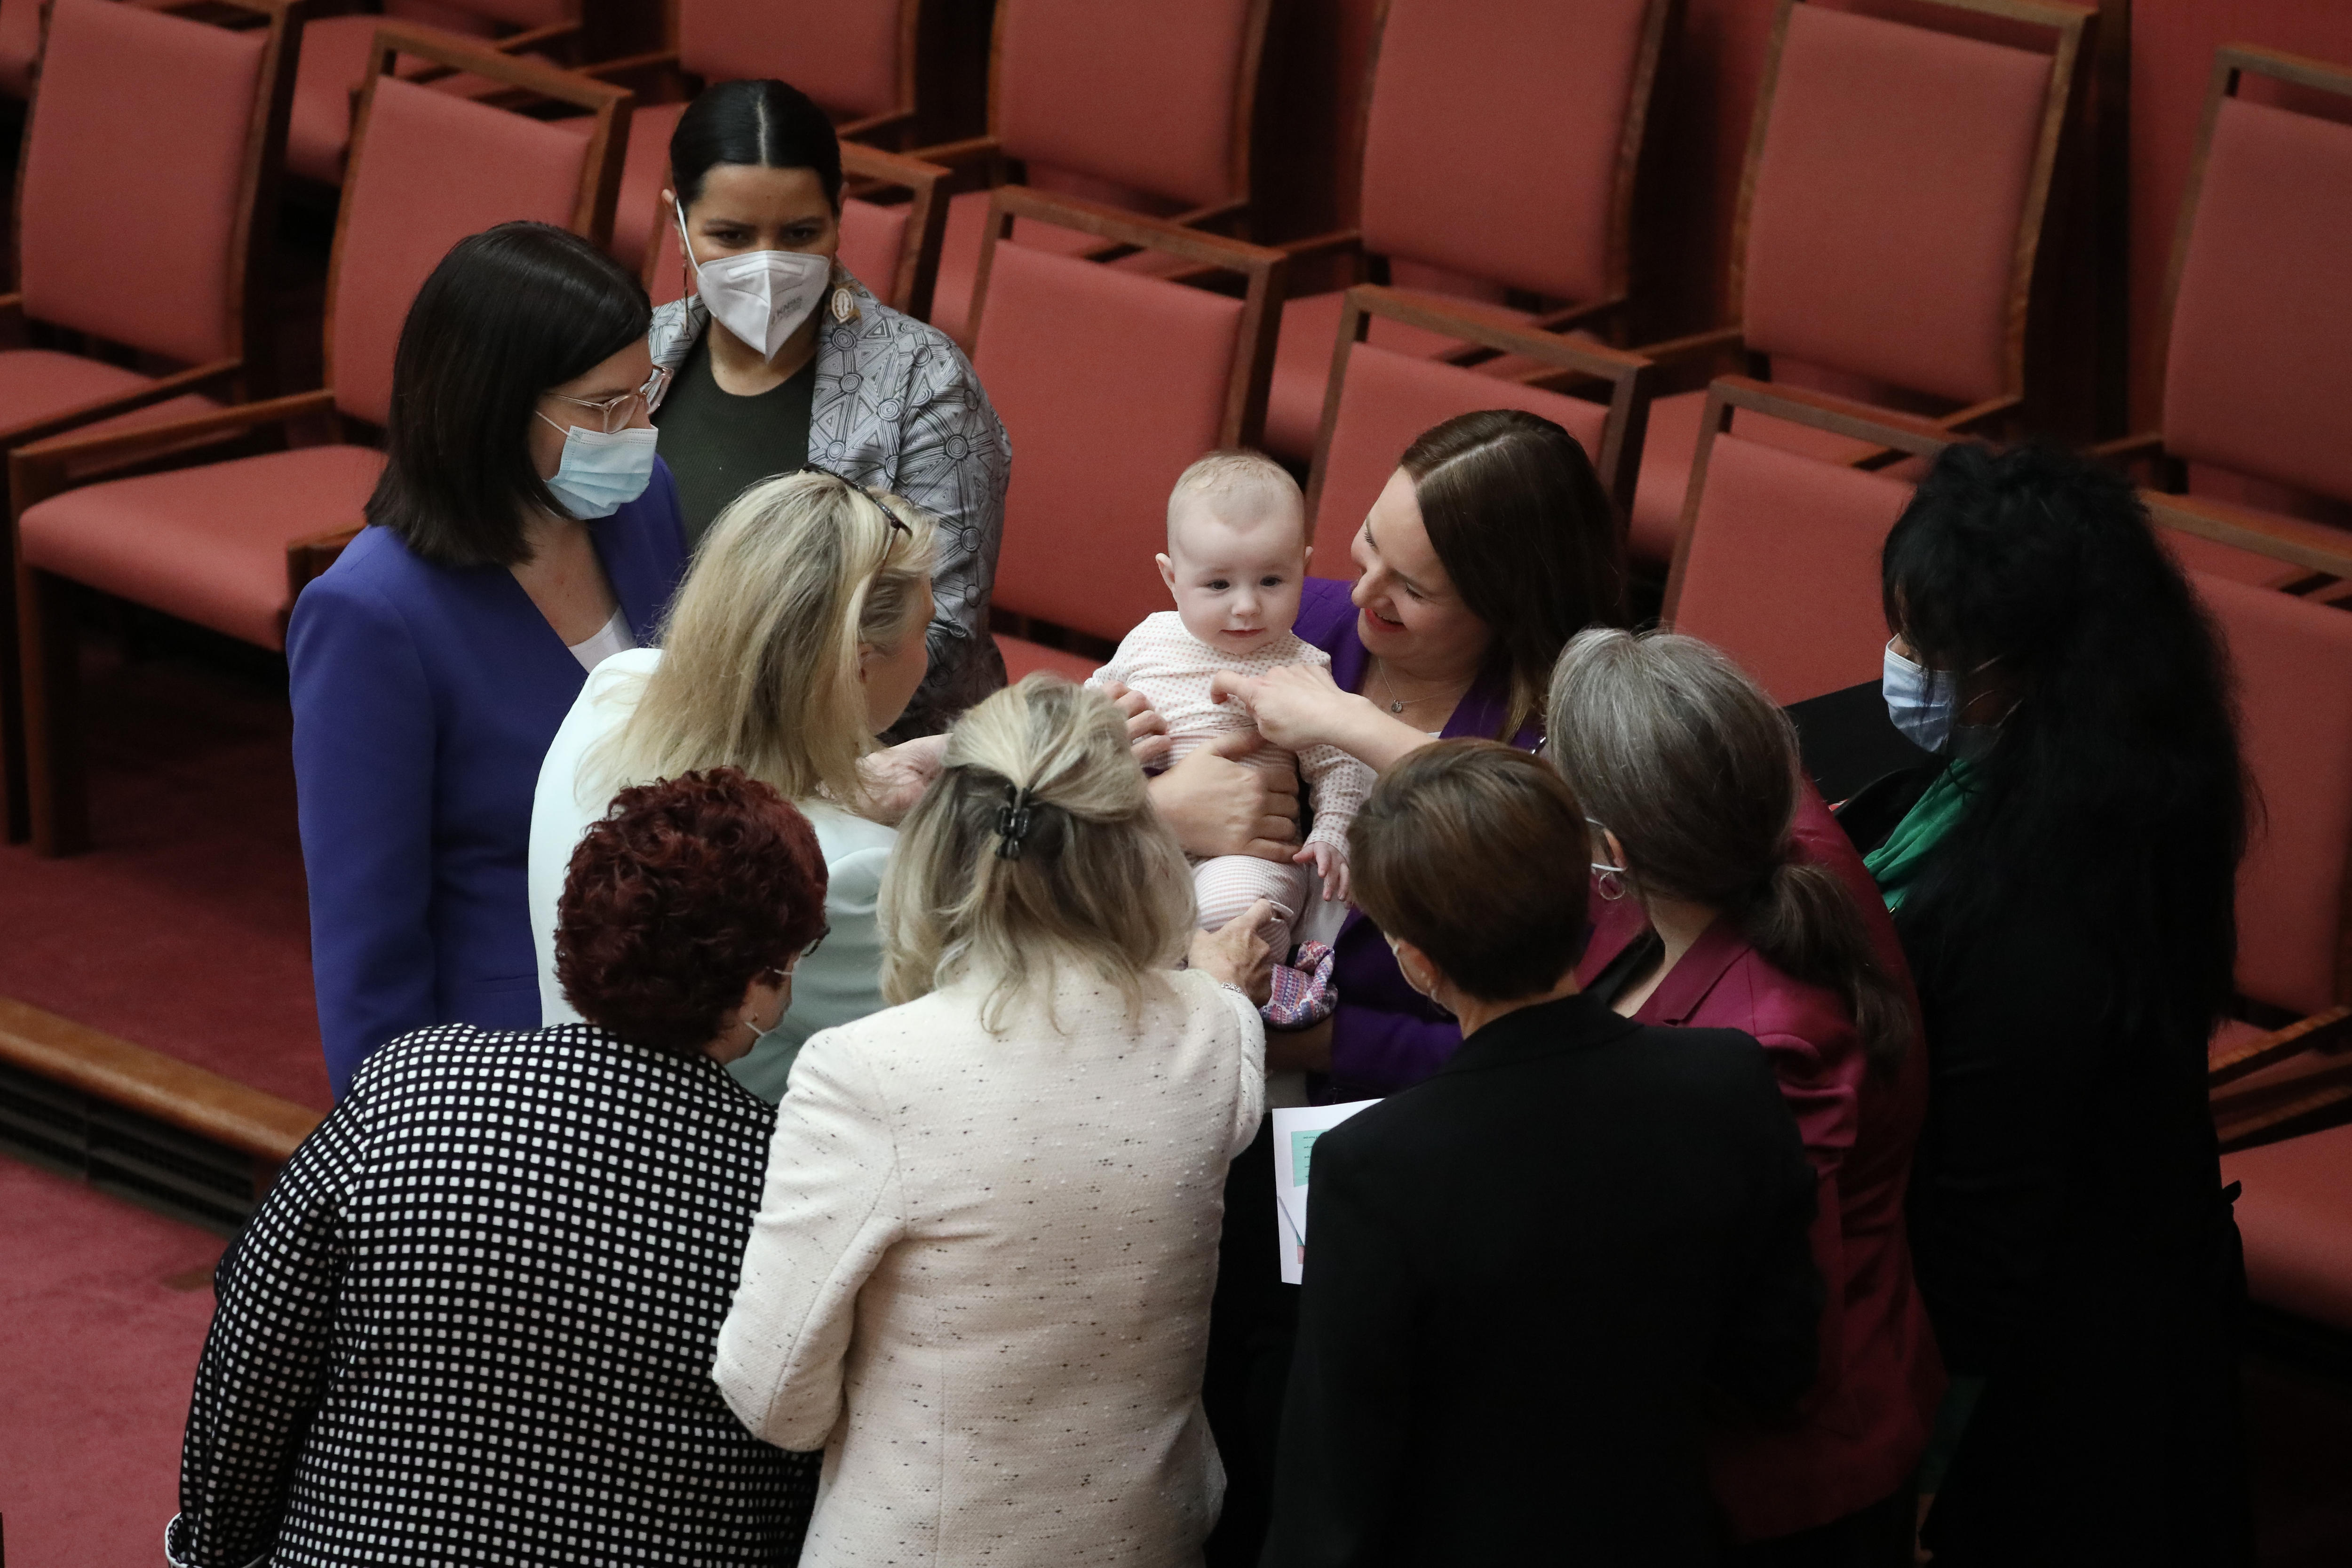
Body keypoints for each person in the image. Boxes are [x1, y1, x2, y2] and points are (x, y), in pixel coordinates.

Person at [171, 769, 831, 1566]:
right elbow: (798, 1457)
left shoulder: (414, 1085)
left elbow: (259, 1340)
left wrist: (214, 1547)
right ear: (761, 980)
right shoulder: (789, 1184)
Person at [712, 677, 1275, 1568]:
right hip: (1153, 1537)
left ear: (941, 838)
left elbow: (774, 1395)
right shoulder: (1218, 1031)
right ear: (1138, 845)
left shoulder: (865, 1074)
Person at [1259, 740, 1822, 1568]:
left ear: (1416, 961)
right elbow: (1776, 1365)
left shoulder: (1375, 1168)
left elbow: (1332, 1491)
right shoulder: (1730, 1078)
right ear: (1596, 887)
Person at [1839, 445, 2252, 1566]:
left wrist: (1918, 1469)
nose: (1901, 665)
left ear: (2023, 670)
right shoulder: (2080, 754)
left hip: (2058, 1364)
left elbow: (1985, 1238)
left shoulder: (2054, 911)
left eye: (1931, 647)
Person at [1549, 629, 1942, 1565]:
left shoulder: (1768, 1049)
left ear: (1610, 844)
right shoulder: (1729, 819)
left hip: (1776, 1489)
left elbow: (1761, 1341)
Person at [290, 222, 687, 1099]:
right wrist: (403, 1149)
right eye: (602, 407)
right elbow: (369, 942)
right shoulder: (370, 615)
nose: (639, 427)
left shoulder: (645, 501)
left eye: (643, 390)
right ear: (493, 403)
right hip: (507, 1058)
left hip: (688, 1004)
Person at [529, 469, 937, 1102]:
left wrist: (850, 785)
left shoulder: (614, 688)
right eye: (925, 631)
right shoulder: (851, 874)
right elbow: (977, 1033)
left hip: (570, 1115)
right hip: (719, 1177)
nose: (928, 656)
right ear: (859, 662)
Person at [648, 77, 1010, 737]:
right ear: (678, 225)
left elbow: (942, 640)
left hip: (860, 760)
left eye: (799, 232)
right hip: (647, 726)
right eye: (730, 236)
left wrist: (725, 726)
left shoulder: (923, 384)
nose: (767, 264)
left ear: (841, 214)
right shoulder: (639, 358)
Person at [1088, 451, 1374, 989]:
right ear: (1171, 578)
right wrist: (1098, 729)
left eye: (1271, 581)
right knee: (1086, 886)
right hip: (1145, 839)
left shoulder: (1302, 666)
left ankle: (1232, 992)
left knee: (1235, 906)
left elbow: (1339, 760)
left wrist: (1334, 831)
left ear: (1302, 568)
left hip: (1248, 855)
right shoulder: (1147, 638)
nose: (1245, 607)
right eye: (1218, 586)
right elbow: (1088, 705)